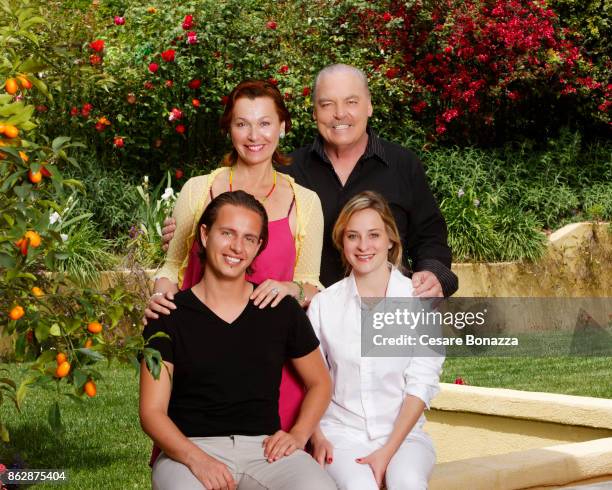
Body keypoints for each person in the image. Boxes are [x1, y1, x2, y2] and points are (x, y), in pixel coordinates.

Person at [162, 64, 457, 297]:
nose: (340, 114)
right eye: (327, 104)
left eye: (351, 102)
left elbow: (431, 236)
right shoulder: (289, 174)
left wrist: (433, 272)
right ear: (314, 111)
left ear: (369, 106)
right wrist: (188, 234)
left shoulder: (403, 165)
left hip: (382, 315)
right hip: (311, 324)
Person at [146, 80, 324, 433]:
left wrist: (291, 289)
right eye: (242, 123)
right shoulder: (198, 190)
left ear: (282, 127)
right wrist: (160, 296)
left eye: (264, 123)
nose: (253, 135)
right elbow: (172, 266)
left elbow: (312, 284)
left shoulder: (305, 202)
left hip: (273, 362)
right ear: (229, 128)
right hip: (201, 355)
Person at [140, 190, 336, 490]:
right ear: (205, 235)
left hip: (265, 451)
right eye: (227, 233)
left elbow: (320, 383)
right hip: (189, 450)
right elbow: (151, 413)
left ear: (259, 246)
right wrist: (197, 460)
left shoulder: (278, 309)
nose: (237, 247)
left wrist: (298, 435)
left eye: (249, 238)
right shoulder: (168, 315)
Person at [307, 191, 444, 490]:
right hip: (341, 435)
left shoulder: (418, 302)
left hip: (404, 436)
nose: (363, 246)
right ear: (342, 242)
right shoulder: (324, 305)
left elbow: (421, 384)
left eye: (373, 235)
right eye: (353, 236)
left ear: (390, 239)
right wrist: (317, 437)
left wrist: (387, 451)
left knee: (407, 482)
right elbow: (310, 382)